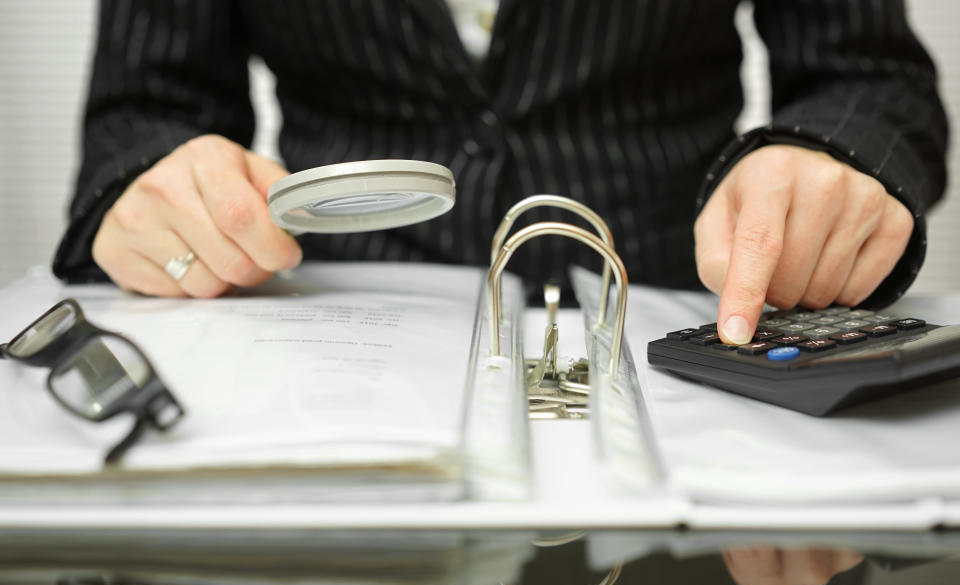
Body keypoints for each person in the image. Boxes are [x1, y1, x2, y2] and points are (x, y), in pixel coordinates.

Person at [53, 0, 948, 345]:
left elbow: (867, 75)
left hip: (685, 328)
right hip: (333, 351)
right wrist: (151, 184)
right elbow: (144, 115)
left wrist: (830, 157)